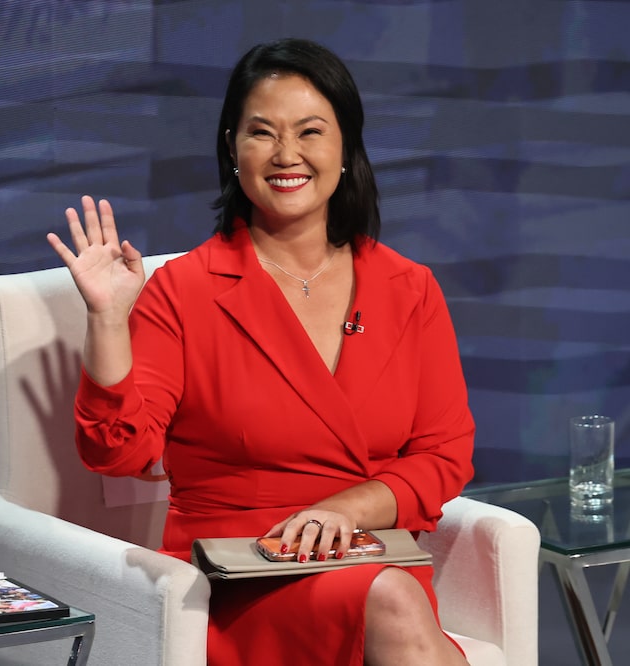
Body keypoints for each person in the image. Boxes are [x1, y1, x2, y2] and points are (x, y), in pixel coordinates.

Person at [47, 38, 474, 666]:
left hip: (363, 548)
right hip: (240, 570)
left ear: (345, 147)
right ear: (231, 147)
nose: (287, 155)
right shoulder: (186, 289)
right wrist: (109, 319)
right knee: (394, 607)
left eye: (310, 131)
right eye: (262, 133)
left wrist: (346, 509)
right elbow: (120, 453)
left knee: (390, 598)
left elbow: (445, 455)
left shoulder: (409, 288)